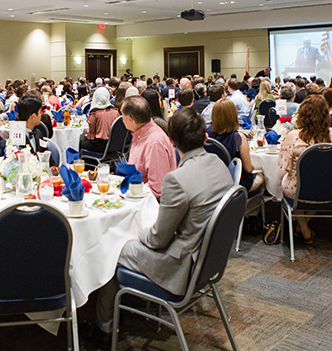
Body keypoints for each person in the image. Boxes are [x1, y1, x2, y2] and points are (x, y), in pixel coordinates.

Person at [90, 106, 234, 339]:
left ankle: (103, 328)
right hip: (209, 260)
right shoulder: (219, 163)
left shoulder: (177, 180)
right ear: (205, 137)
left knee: (112, 248)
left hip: (181, 266)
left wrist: (139, 234)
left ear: (171, 139)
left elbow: (157, 239)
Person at [278, 95, 332, 244]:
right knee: (319, 180)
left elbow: (284, 167)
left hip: (299, 191)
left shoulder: (293, 137)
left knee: (293, 181)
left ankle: (303, 229)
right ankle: (304, 227)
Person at [121, 96, 176, 199]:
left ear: (130, 119)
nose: (122, 119)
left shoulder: (154, 143)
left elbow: (157, 190)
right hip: (137, 191)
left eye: (122, 116)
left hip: (150, 204)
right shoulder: (140, 132)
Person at [208, 99, 262, 191]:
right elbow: (248, 168)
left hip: (212, 181)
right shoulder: (238, 138)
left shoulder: (207, 133)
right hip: (234, 182)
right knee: (261, 176)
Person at [80, 88, 119, 153]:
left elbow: (91, 136)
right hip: (114, 145)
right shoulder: (116, 111)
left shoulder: (94, 113)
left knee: (79, 143)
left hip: (99, 146)